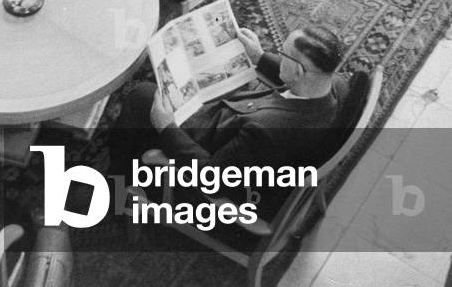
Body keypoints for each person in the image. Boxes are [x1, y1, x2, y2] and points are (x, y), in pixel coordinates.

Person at [111, 22, 349, 220]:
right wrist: (260, 56)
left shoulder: (267, 131)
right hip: (244, 126)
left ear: (297, 71)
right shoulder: (335, 85)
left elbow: (212, 179)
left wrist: (167, 127)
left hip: (221, 163)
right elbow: (294, 75)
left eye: (282, 53)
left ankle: (117, 189)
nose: (277, 54)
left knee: (142, 95)